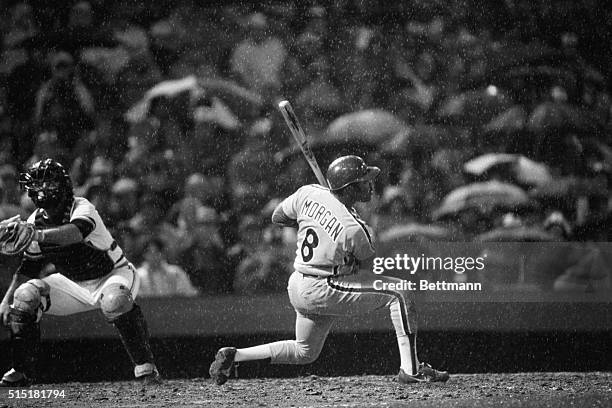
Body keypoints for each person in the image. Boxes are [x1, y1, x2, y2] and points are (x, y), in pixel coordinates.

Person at [209, 155, 449, 385]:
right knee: (400, 292)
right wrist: (335, 223)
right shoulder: (356, 229)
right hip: (324, 285)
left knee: (305, 352)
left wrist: (310, 217)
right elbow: (363, 267)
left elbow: (278, 216)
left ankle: (235, 355)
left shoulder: (308, 192)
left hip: (298, 284)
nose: (371, 185)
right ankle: (411, 370)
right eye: (364, 181)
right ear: (350, 189)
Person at [0, 159, 160, 386]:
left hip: (113, 274)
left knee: (115, 302)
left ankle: (146, 367)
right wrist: (7, 301)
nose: (38, 190)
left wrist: (37, 235)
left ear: (58, 188)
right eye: (36, 186)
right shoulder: (34, 221)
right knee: (25, 296)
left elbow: (74, 233)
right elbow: (29, 267)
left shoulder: (82, 207)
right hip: (73, 283)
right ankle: (21, 370)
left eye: (44, 185)